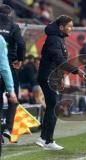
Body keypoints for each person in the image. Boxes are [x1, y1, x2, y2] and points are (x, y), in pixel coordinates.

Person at [36, 15, 84, 150]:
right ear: (61, 27)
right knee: (54, 106)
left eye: (72, 26)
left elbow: (57, 63)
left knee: (53, 106)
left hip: (52, 77)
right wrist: (76, 71)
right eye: (69, 26)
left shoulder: (58, 39)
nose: (71, 29)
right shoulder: (54, 40)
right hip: (48, 77)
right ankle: (46, 140)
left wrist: (61, 78)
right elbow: (59, 60)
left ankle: (45, 139)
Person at [0, 4, 26, 140]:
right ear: (9, 14)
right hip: (9, 65)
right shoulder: (13, 25)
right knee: (13, 98)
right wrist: (20, 59)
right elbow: (21, 43)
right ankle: (8, 129)